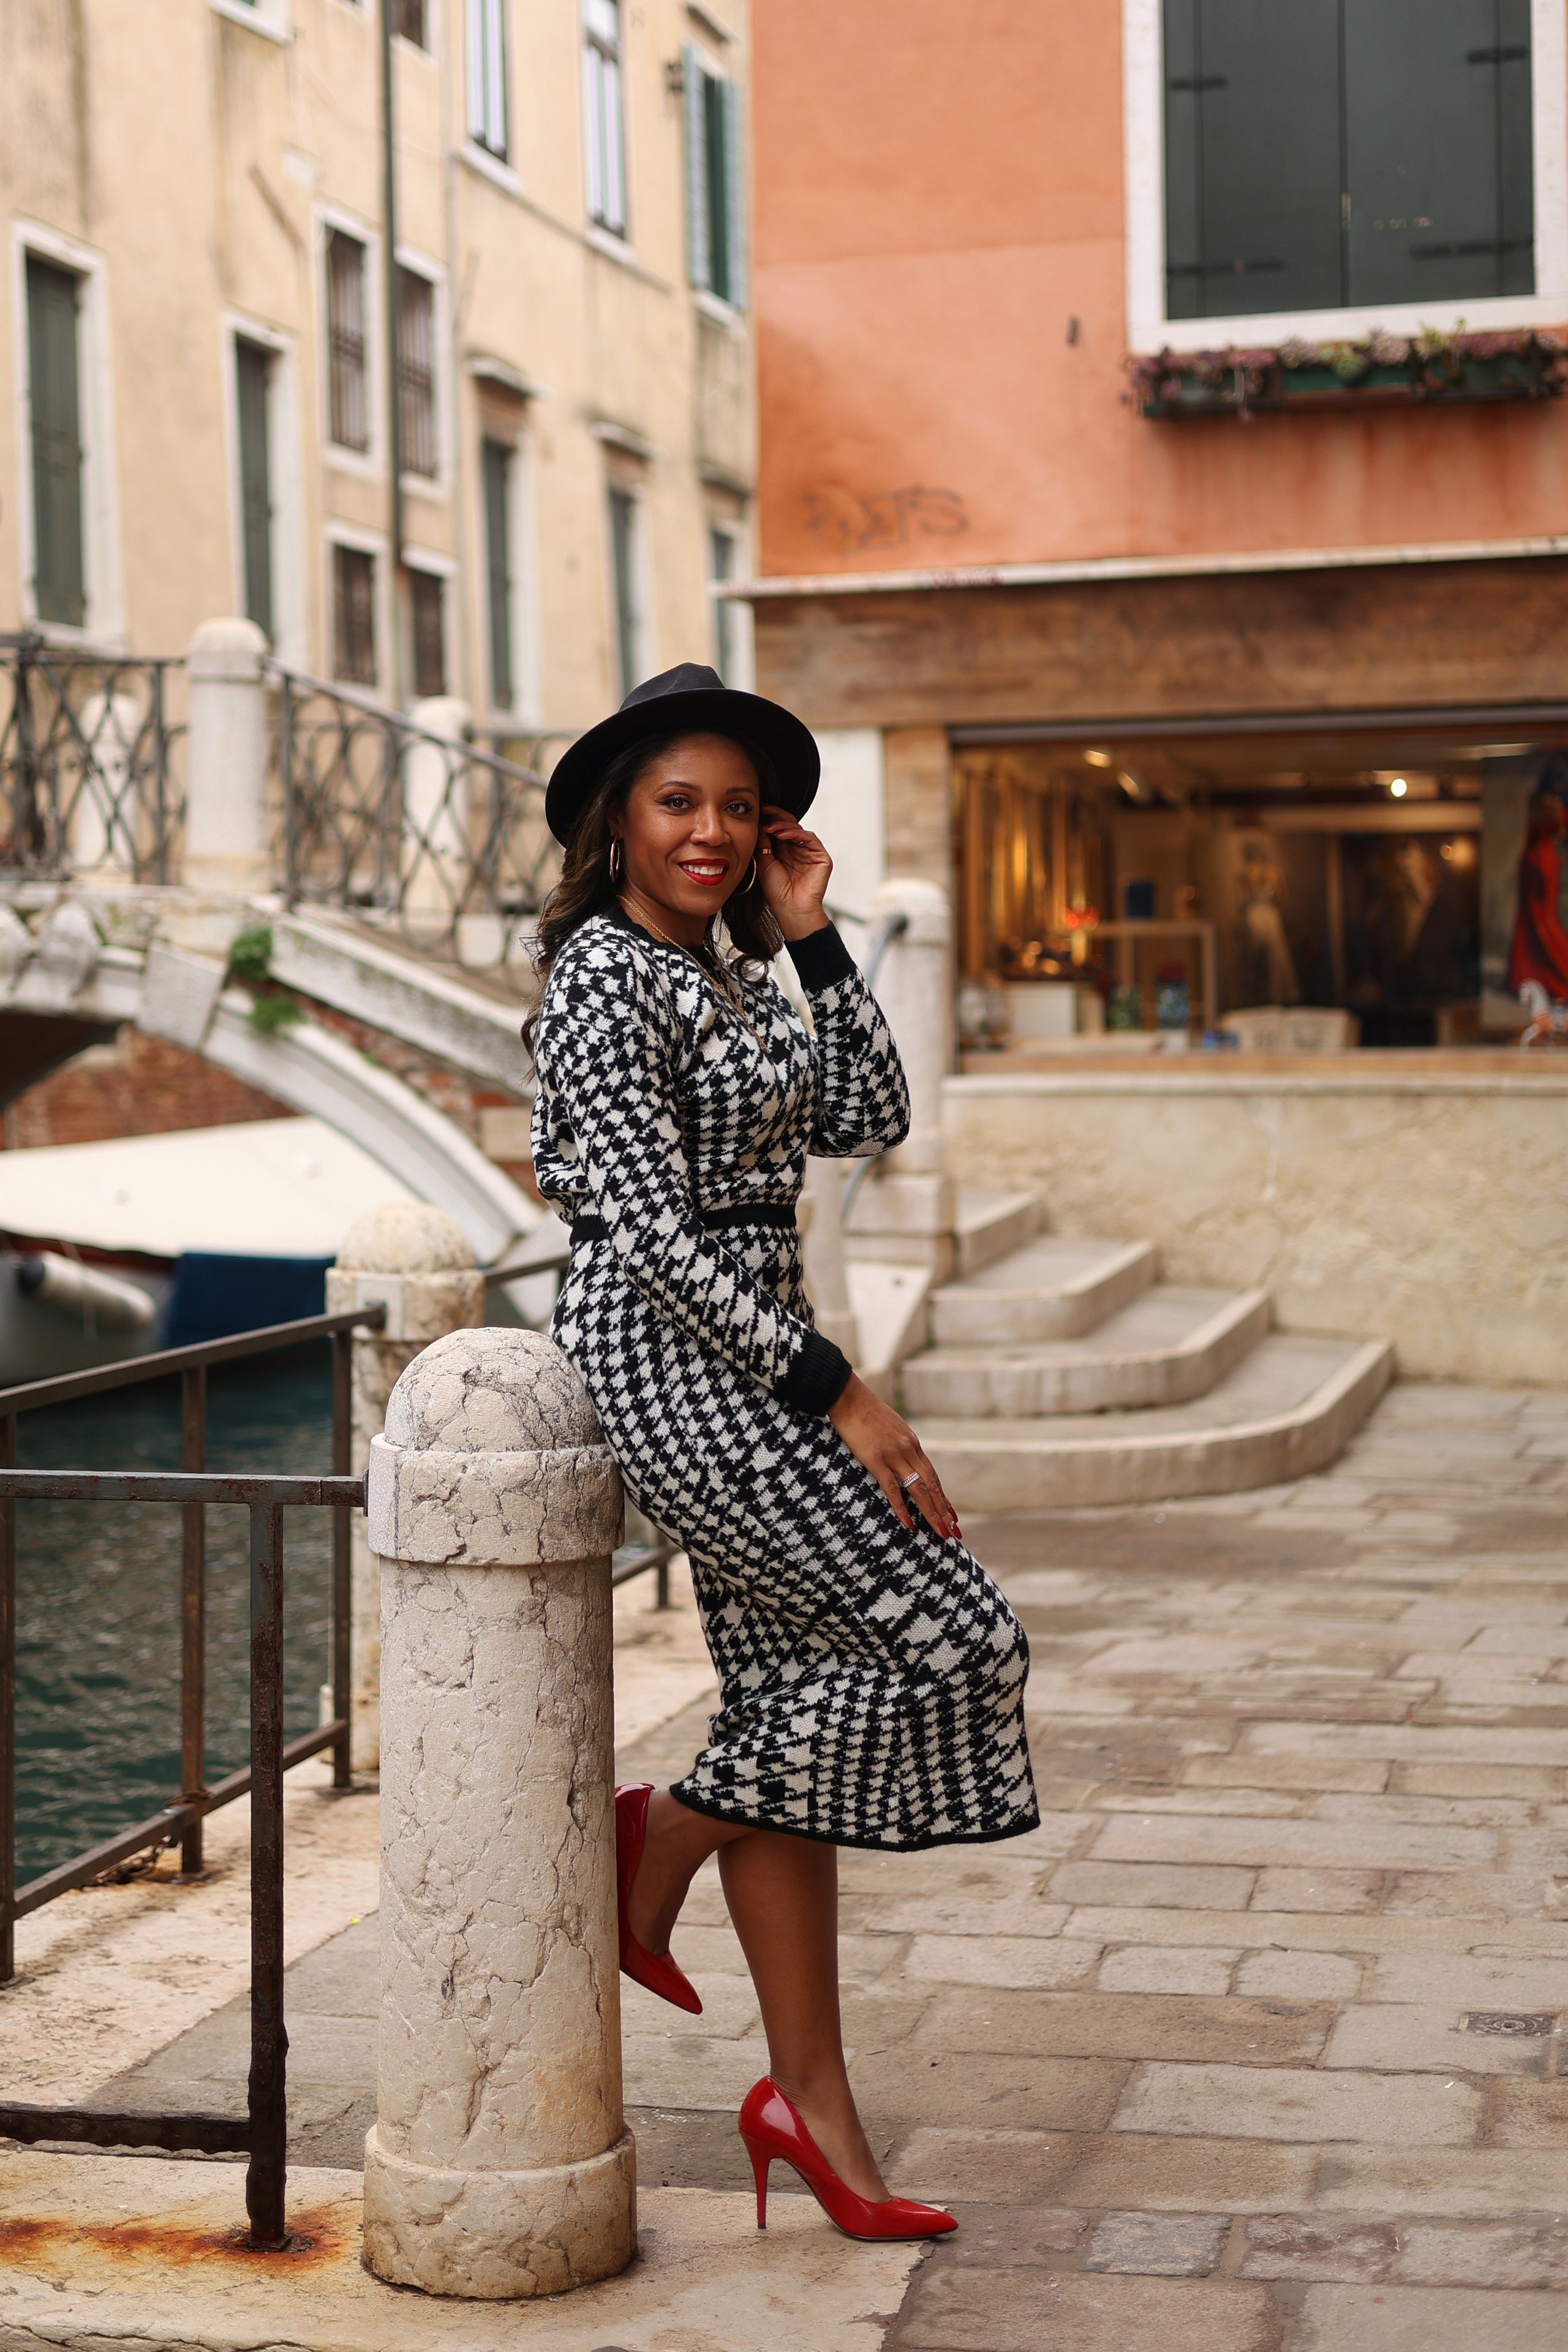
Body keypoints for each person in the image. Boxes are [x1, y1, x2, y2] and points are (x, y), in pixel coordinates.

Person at [526, 663, 1038, 2244]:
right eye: (679, 800)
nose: (711, 830)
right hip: (673, 1348)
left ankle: (808, 2109)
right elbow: (642, 1228)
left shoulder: (737, 969)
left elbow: (873, 1106)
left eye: (738, 808)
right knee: (955, 1639)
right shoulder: (604, 978)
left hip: (757, 1331)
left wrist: (810, 928)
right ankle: (661, 1831)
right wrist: (842, 1392)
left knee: (790, 1714)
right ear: (614, 814)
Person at [1507, 767, 1568, 1003]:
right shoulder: (1539, 814)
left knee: (1545, 927)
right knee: (1535, 927)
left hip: (1544, 868)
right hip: (1538, 867)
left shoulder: (1550, 817)